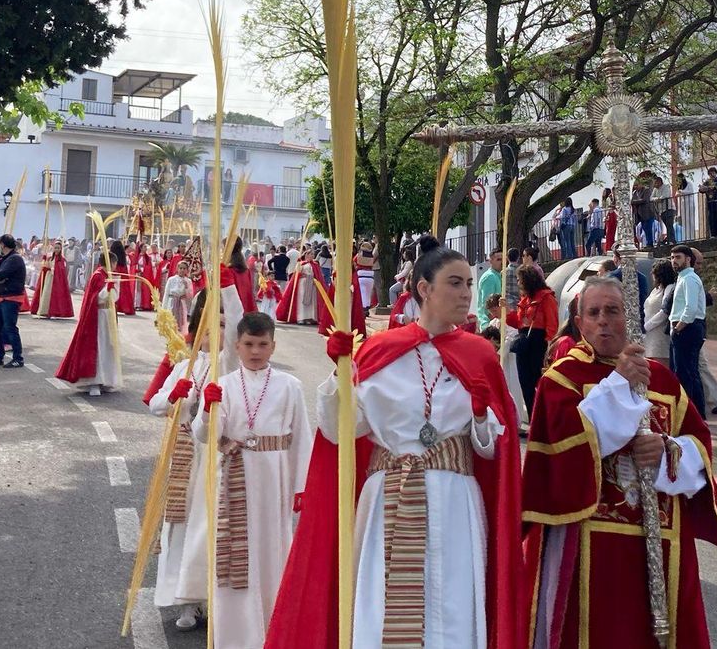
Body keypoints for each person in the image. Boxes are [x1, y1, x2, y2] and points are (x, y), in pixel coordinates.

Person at [264, 242, 525, 649]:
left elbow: (494, 452)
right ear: (423, 288)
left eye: (468, 284)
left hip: (455, 502)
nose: (465, 293)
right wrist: (340, 375)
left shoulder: (480, 355)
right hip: (389, 497)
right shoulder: (381, 350)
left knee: (451, 606)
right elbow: (340, 431)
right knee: (384, 604)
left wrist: (478, 417)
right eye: (454, 283)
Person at [521, 276, 717, 647]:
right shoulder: (561, 380)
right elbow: (568, 452)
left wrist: (667, 451)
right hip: (588, 542)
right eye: (593, 312)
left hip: (658, 540)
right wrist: (618, 384)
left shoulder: (662, 380)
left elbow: (700, 445)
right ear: (579, 322)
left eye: (612, 311)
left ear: (627, 317)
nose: (603, 320)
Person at [185, 312, 311, 648]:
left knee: (274, 552)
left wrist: (302, 488)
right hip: (236, 480)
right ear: (237, 346)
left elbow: (302, 440)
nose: (256, 351)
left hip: (276, 481)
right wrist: (209, 409)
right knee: (236, 555)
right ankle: (237, 635)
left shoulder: (291, 386)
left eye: (262, 344)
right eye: (249, 344)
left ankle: (274, 629)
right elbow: (203, 435)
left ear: (273, 346)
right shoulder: (223, 385)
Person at [144, 291, 216, 629]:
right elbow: (155, 404)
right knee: (181, 526)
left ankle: (211, 600)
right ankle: (185, 602)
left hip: (217, 457)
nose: (211, 335)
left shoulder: (231, 367)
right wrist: (174, 396)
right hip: (186, 455)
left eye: (220, 327)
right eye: (206, 328)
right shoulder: (185, 364)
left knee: (211, 528)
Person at [57, 238, 126, 393]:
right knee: (98, 347)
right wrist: (107, 288)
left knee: (108, 347)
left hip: (107, 315)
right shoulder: (97, 276)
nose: (115, 266)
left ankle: (106, 380)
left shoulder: (107, 275)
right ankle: (94, 381)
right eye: (114, 263)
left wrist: (114, 285)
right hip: (98, 316)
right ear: (110, 262)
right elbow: (98, 298)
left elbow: (115, 298)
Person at [668, 245, 714, 414]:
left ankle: (693, 414)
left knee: (687, 374)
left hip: (688, 328)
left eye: (678, 257)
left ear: (688, 259)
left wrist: (679, 327)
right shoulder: (683, 278)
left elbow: (691, 308)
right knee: (686, 372)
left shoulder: (689, 279)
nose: (674, 261)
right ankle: (694, 414)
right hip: (685, 328)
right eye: (672, 258)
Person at [506, 264, 558, 414]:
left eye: (519, 279)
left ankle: (542, 419)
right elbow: (518, 323)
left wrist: (549, 346)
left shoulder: (546, 298)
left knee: (538, 382)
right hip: (524, 343)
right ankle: (533, 418)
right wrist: (507, 312)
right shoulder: (525, 300)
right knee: (526, 384)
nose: (517, 283)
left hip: (538, 343)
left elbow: (552, 324)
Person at [0, 235, 27, 368]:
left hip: (11, 298)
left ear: (2, 244)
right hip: (1, 297)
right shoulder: (5, 259)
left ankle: (18, 358)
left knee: (10, 328)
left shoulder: (14, 259)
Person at [642, 259, 676, 366]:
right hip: (650, 336)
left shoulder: (669, 289)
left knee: (661, 368)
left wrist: (646, 326)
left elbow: (664, 312)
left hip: (660, 336)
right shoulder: (656, 290)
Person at [275, 249, 321, 325]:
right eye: (311, 254)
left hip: (312, 284)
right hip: (303, 283)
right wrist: (298, 267)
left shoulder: (315, 265)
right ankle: (301, 317)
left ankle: (310, 317)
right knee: (301, 300)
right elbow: (296, 274)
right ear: (306, 255)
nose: (312, 256)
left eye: (313, 254)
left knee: (312, 301)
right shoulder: (301, 264)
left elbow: (318, 275)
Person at [33, 238, 75, 320]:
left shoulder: (62, 260)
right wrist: (45, 261)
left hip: (58, 280)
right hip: (50, 279)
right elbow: (45, 268)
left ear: (61, 249)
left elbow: (63, 270)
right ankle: (44, 310)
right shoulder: (50, 258)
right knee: (47, 294)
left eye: (58, 248)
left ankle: (56, 311)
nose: (56, 250)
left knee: (56, 295)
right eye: (55, 248)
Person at [476, 249, 503, 331]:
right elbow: (487, 305)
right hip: (489, 326)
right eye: (498, 259)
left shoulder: (498, 275)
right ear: (490, 261)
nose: (502, 262)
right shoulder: (490, 277)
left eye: (503, 259)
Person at [354, 239, 376, 310]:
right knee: (368, 294)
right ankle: (367, 307)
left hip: (361, 275)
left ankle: (363, 308)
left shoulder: (358, 256)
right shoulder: (372, 256)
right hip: (370, 276)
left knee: (362, 293)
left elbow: (354, 263)